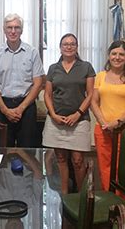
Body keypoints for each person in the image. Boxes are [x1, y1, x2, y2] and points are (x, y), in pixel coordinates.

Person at [42, 33, 95, 194]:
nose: (69, 46)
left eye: (72, 44)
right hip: (56, 121)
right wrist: (53, 114)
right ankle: (64, 194)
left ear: (77, 47)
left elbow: (91, 94)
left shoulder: (86, 67)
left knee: (78, 160)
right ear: (60, 48)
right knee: (61, 159)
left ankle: (81, 196)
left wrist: (78, 114)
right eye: (65, 44)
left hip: (79, 121)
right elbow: (47, 94)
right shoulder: (53, 68)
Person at [0, 13, 45, 147]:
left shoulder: (32, 52)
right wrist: (5, 110)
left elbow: (38, 83)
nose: (13, 31)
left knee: (28, 151)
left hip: (27, 106)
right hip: (2, 106)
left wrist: (21, 108)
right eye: (9, 27)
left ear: (22, 30)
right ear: (4, 30)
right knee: (3, 150)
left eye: (17, 28)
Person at [90, 40, 125, 191]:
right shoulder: (100, 76)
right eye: (114, 53)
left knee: (123, 167)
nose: (117, 57)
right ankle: (109, 198)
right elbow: (94, 102)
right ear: (108, 56)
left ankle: (122, 202)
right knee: (104, 167)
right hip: (103, 129)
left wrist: (117, 123)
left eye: (121, 54)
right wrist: (104, 122)